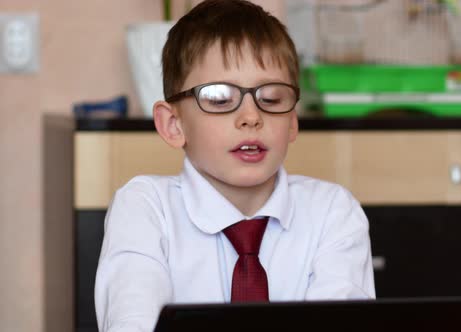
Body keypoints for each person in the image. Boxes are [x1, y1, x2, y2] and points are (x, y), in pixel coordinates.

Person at [94, 0, 375, 331]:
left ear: (292, 122)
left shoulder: (332, 212)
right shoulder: (146, 209)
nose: (251, 117)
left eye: (271, 99)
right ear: (173, 124)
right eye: (219, 99)